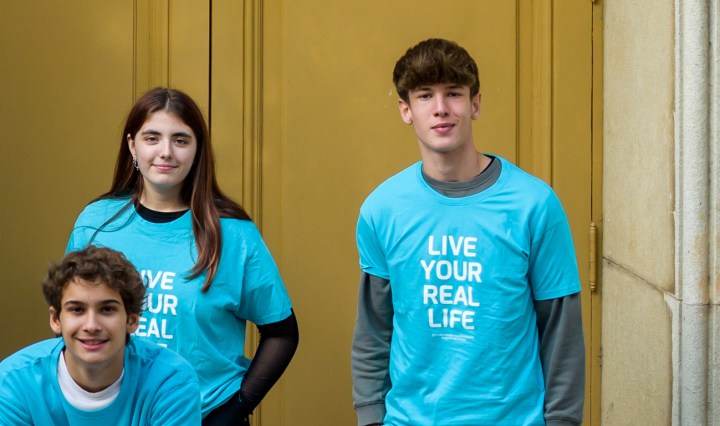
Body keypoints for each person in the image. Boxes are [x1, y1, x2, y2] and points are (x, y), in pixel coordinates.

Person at [351, 38, 585, 426]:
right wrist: (371, 417)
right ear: (406, 110)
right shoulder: (382, 209)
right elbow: (374, 330)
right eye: (425, 95)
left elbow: (562, 334)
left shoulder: (534, 205)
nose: (441, 107)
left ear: (475, 104)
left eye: (454, 93)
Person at [66, 87, 299, 424]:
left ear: (197, 149)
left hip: (204, 414)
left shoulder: (234, 235)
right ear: (132, 145)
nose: (166, 152)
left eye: (180, 140)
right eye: (152, 138)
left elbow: (282, 332)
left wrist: (234, 411)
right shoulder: (96, 223)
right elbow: (70, 320)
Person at [0, 245, 201, 425]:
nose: (91, 326)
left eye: (107, 309)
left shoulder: (172, 382)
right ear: (55, 319)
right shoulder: (13, 381)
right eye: (77, 309)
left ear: (132, 320)